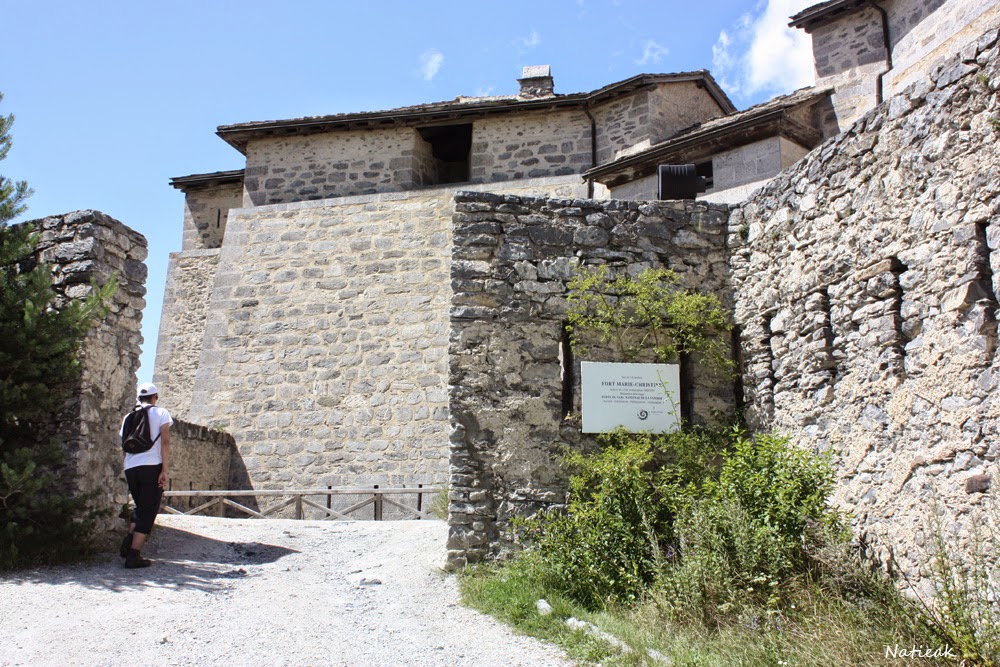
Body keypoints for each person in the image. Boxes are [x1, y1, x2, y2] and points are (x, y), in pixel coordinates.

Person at [120, 382, 172, 569]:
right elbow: (165, 442)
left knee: (140, 507)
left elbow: (124, 445)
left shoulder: (128, 417)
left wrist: (128, 466)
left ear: (138, 398)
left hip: (131, 466)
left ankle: (128, 544)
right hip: (152, 465)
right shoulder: (161, 413)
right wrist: (164, 470)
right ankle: (133, 556)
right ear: (155, 397)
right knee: (148, 510)